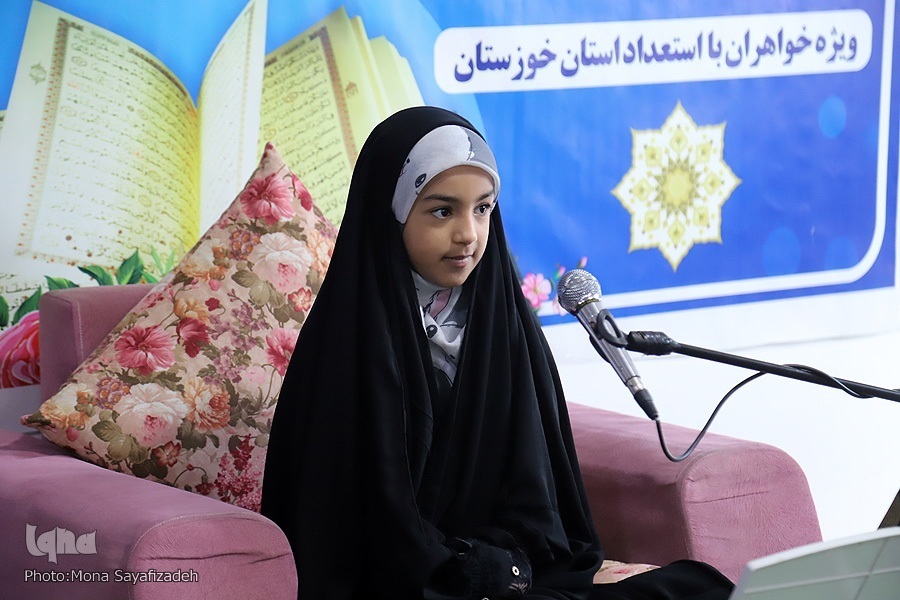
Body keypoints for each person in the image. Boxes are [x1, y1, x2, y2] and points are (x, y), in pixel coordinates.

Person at [261, 106, 734, 600]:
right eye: (442, 211)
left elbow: (540, 502)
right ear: (392, 212)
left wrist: (505, 563)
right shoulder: (348, 345)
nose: (468, 234)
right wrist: (457, 570)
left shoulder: (501, 324)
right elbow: (347, 530)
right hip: (396, 584)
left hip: (502, 576)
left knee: (696, 589)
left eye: (483, 209)